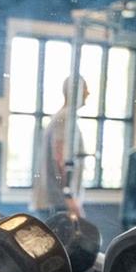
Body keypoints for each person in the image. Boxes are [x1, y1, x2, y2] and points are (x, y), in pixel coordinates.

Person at [31, 76, 88, 219]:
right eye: (85, 89)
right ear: (76, 92)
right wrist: (69, 196)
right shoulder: (65, 118)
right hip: (58, 202)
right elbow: (60, 157)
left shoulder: (63, 117)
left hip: (56, 201)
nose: (88, 93)